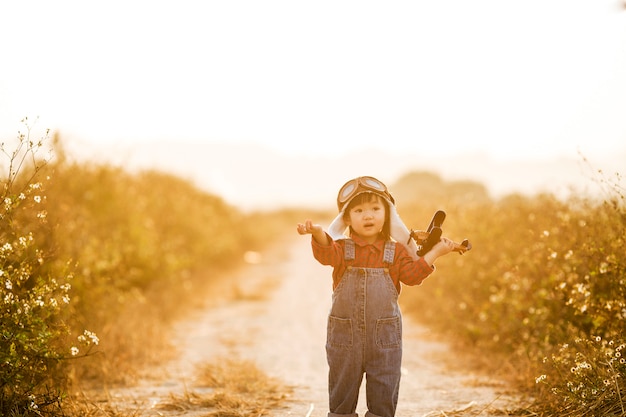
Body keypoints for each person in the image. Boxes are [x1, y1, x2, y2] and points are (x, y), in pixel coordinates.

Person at [296, 176, 455, 417]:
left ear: (387, 214)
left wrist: (435, 253)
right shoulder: (342, 249)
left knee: (384, 388)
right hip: (345, 338)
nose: (367, 215)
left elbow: (413, 276)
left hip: (384, 340)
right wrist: (318, 233)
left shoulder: (397, 251)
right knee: (342, 391)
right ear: (346, 219)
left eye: (375, 208)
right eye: (358, 210)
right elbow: (326, 254)